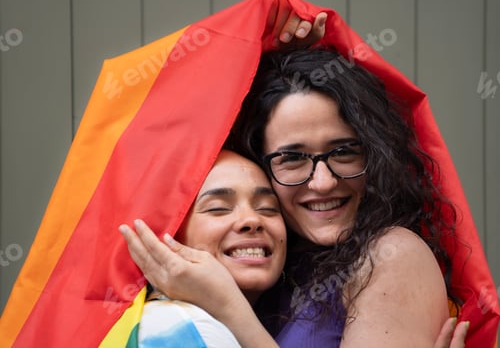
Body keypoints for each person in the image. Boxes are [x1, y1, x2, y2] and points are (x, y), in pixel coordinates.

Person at [121, 46, 470, 348]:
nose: (322, 182)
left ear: (374, 157)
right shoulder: (273, 267)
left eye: (343, 152)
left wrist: (229, 308)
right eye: (292, 158)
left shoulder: (392, 254)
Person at [119, 150, 287, 347]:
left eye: (267, 208)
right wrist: (229, 306)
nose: (252, 220)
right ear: (169, 234)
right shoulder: (185, 328)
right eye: (218, 208)